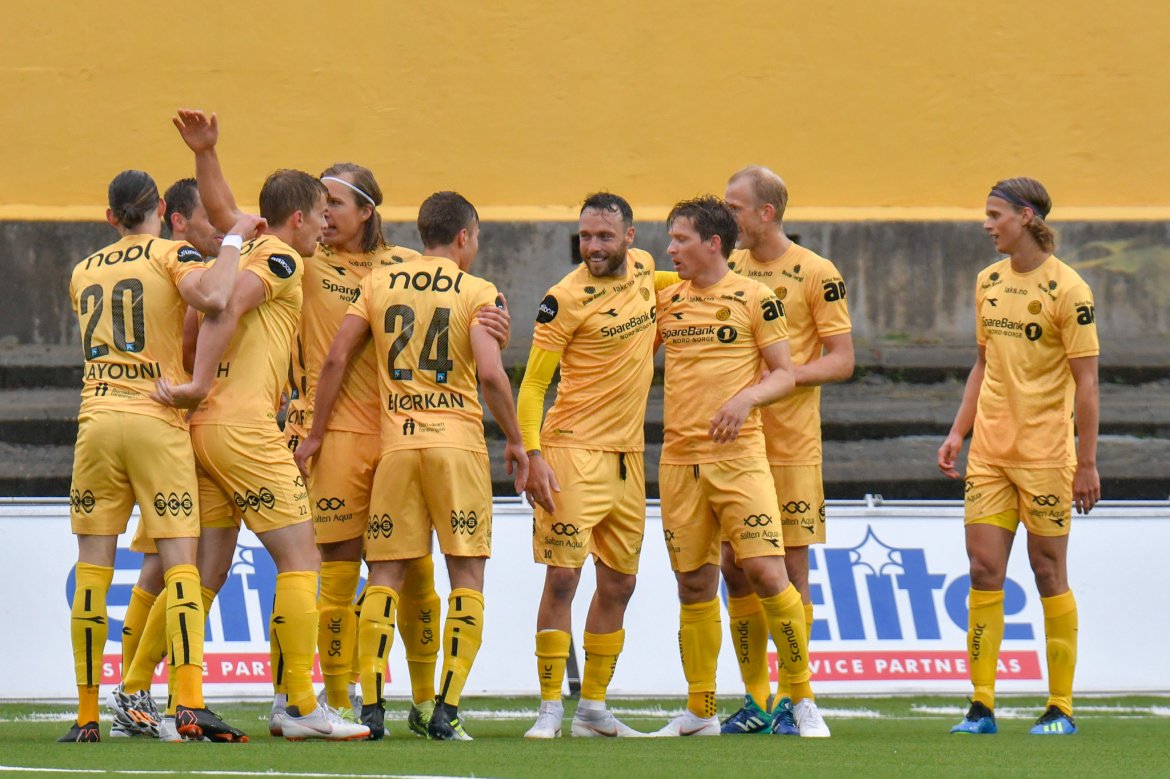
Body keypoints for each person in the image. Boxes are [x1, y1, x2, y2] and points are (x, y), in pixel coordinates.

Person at [152, 109, 368, 741]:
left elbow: (223, 214)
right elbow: (223, 307)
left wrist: (206, 152)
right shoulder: (278, 260)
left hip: (210, 430)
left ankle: (138, 693)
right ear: (298, 218)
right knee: (302, 559)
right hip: (244, 428)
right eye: (322, 212)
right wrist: (194, 379)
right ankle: (299, 705)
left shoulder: (246, 240)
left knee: (208, 572)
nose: (329, 222)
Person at [295, 191, 528, 741]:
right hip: (457, 447)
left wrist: (317, 432)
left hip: (396, 446)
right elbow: (492, 376)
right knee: (465, 575)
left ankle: (370, 706)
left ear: (423, 234)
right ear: (466, 237)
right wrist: (518, 441)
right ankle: (443, 710)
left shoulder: (380, 282)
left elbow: (334, 357)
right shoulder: (478, 290)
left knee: (385, 575)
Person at [61, 169, 255, 743]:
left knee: (94, 571)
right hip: (156, 414)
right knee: (181, 565)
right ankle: (189, 704)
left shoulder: (81, 271)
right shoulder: (172, 255)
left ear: (109, 216)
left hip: (96, 420)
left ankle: (89, 714)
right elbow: (216, 297)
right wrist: (235, 240)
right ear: (161, 207)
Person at [939, 177, 1099, 736]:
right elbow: (982, 364)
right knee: (984, 571)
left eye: (994, 214)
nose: (986, 224)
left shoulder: (1068, 290)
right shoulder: (987, 282)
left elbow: (1088, 383)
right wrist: (959, 433)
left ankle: (1061, 706)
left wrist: (1087, 462)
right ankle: (981, 706)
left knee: (1048, 570)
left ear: (1025, 217)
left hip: (1047, 457)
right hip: (990, 454)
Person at [651, 196, 815, 737]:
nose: (670, 249)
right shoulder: (667, 301)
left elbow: (785, 374)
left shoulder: (755, 298)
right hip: (679, 462)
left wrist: (744, 401)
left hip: (740, 460)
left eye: (680, 240)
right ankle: (701, 710)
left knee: (769, 573)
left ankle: (801, 698)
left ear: (712, 244)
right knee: (693, 585)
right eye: (670, 239)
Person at [718, 166, 852, 737]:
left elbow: (842, 358)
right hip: (738, 445)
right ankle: (755, 700)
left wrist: (781, 378)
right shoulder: (728, 268)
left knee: (791, 572)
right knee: (735, 567)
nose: (726, 218)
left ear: (765, 213)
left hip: (792, 446)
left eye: (734, 208)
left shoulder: (816, 271)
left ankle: (800, 700)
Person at [518, 193, 656, 739]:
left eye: (603, 236)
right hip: (572, 452)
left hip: (629, 458)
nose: (592, 247)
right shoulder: (564, 299)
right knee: (562, 579)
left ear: (630, 237)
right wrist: (534, 456)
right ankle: (551, 706)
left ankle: (592, 709)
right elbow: (531, 388)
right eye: (585, 237)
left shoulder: (646, 270)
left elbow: (669, 287)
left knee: (620, 584)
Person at [112, 178, 229, 742]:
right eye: (206, 218)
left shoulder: (176, 268)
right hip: (177, 429)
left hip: (165, 431)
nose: (217, 227)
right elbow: (185, 352)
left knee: (163, 565)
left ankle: (130, 695)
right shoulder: (181, 273)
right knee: (180, 566)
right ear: (174, 218)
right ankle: (144, 693)